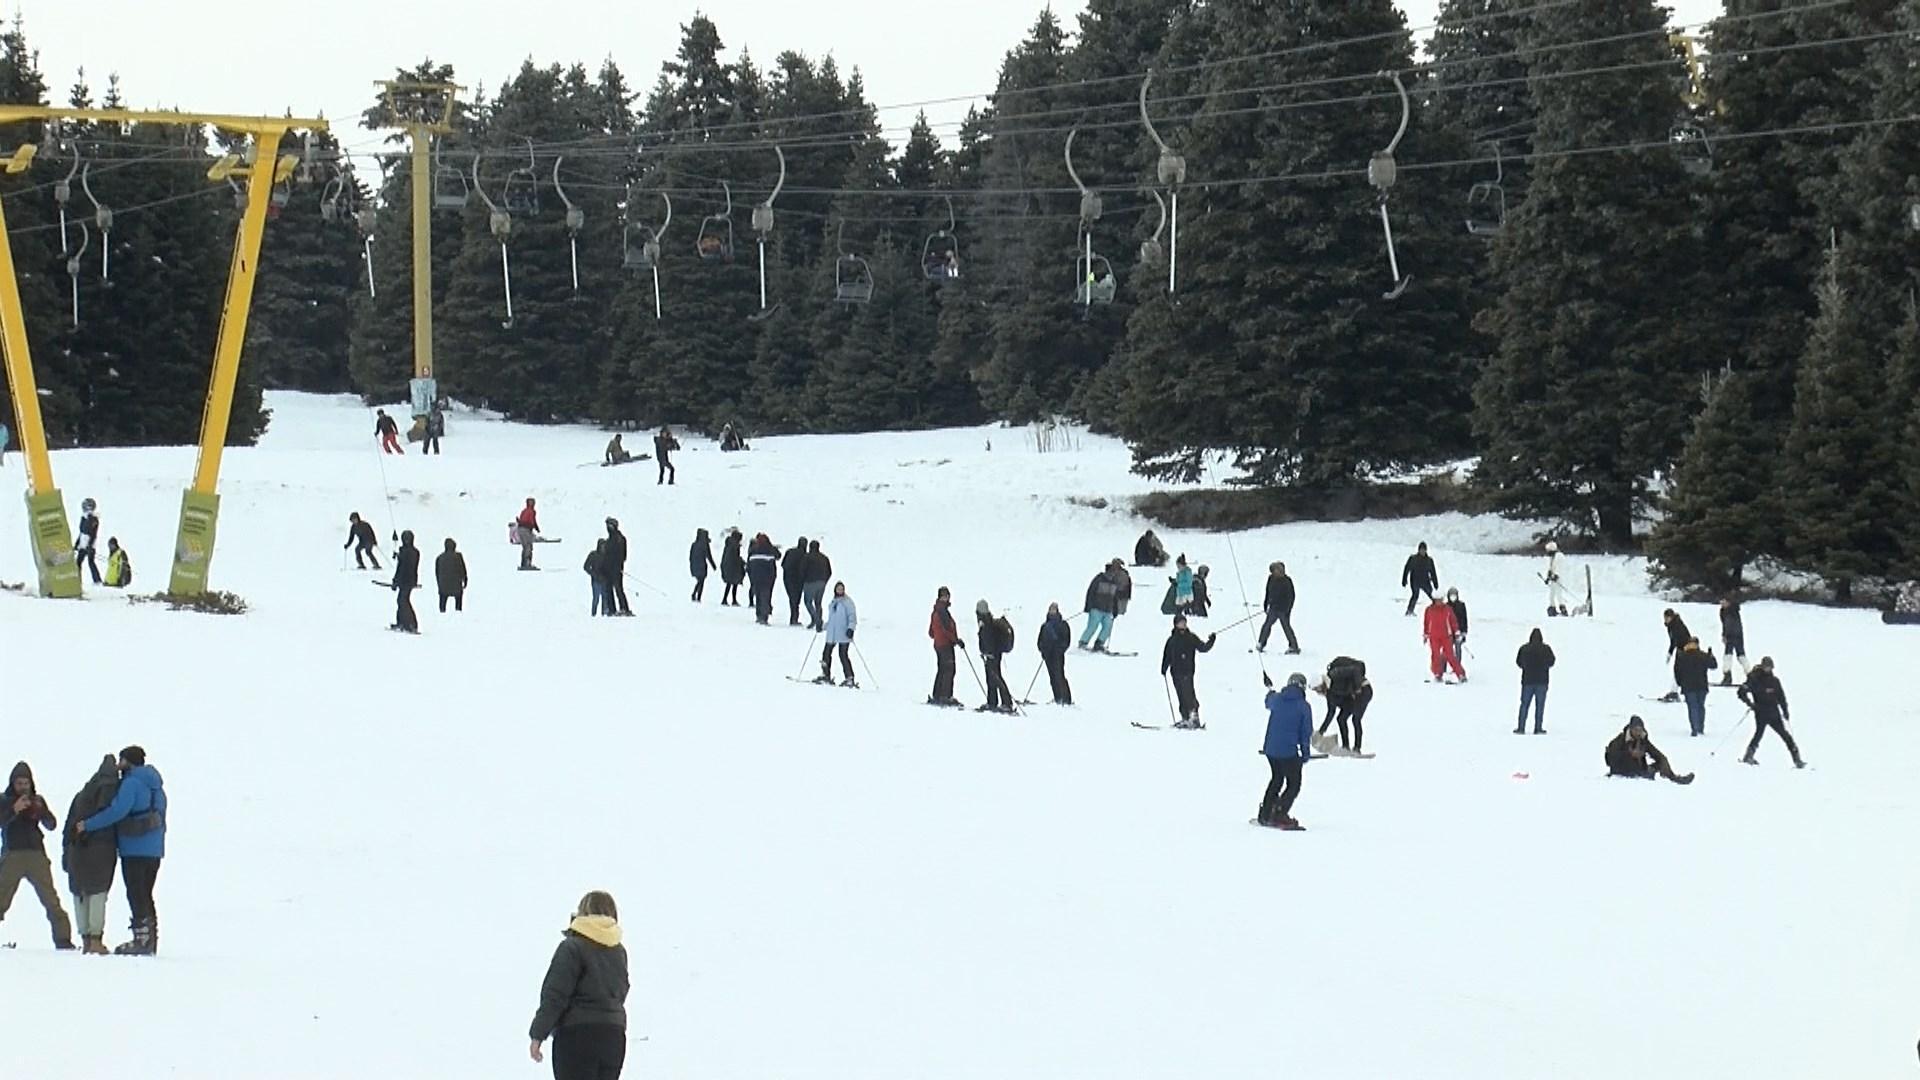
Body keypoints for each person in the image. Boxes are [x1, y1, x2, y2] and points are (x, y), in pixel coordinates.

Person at [528, 890, 629, 1080]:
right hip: (613, 1037)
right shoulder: (618, 951)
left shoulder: (572, 947)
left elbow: (555, 995)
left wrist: (538, 1034)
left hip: (577, 1036)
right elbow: (622, 990)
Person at [76, 746, 166, 955]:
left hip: (134, 848)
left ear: (128, 761)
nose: (118, 765)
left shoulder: (131, 782)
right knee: (146, 893)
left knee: (136, 893)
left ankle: (141, 940)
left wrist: (88, 825)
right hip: (154, 849)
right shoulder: (156, 786)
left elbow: (117, 810)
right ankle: (149, 938)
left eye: (121, 760)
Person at [0, 761, 74, 950]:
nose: (23, 787)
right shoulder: (3, 800)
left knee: (51, 899)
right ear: (12, 783)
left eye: (26, 783)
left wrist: (39, 812)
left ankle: (63, 940)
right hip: (12, 855)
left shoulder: (38, 800)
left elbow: (52, 824)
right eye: (19, 783)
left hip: (36, 856)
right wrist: (13, 810)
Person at [63, 754, 120, 954]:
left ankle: (86, 938)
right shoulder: (114, 793)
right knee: (98, 893)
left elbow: (68, 826)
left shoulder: (81, 795)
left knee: (80, 893)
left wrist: (65, 853)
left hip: (76, 851)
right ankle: (96, 939)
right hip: (102, 851)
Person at [1257, 673, 1314, 829]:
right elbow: (1305, 733)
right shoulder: (1303, 706)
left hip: (1270, 749)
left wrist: (1269, 690)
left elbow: (1268, 701)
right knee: (1293, 784)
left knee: (1276, 779)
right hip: (1288, 751)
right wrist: (1305, 754)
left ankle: (1265, 813)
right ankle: (1279, 814)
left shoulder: (1277, 699)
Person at [1736, 657, 1805, 768]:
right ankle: (1748, 756)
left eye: (1770, 667)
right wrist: (1750, 704)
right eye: (1766, 667)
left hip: (1774, 713)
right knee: (1758, 734)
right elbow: (1741, 692)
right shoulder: (1754, 679)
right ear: (1762, 667)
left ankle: (1797, 759)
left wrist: (1785, 711)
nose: (1768, 669)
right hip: (1761, 712)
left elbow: (1781, 697)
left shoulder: (1774, 681)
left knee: (1785, 735)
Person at [1160, 614, 1217, 729]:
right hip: (1175, 673)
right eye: (1181, 622)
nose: (1183, 624)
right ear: (1176, 624)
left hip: (1187, 671)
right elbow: (1167, 655)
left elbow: (1203, 647)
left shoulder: (1191, 637)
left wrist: (1211, 641)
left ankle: (1194, 717)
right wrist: (1164, 668)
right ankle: (1185, 717)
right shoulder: (1172, 640)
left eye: (1184, 622)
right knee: (1180, 694)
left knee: (1189, 694)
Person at [1605, 717, 1694, 784]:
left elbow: (1655, 753)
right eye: (1636, 730)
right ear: (1631, 729)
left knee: (1662, 761)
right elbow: (1611, 759)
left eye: (1640, 730)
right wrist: (1629, 754)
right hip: (1622, 771)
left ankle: (1674, 779)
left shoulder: (1642, 740)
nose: (1638, 733)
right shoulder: (1620, 740)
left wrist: (1663, 762)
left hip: (1640, 770)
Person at [1314, 656, 1372, 754]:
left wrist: (1357, 688)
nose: (1318, 692)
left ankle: (1357, 748)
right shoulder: (1329, 693)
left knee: (1356, 719)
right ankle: (1346, 746)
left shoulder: (1335, 674)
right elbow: (1331, 712)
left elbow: (1355, 670)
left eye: (1318, 689)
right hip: (1352, 696)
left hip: (1364, 689)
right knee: (1341, 718)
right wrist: (1321, 732)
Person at [1673, 637, 1718, 737]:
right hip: (1702, 686)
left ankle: (1694, 728)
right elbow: (1714, 665)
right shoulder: (1703, 655)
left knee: (1692, 707)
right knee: (1700, 706)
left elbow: (1677, 671)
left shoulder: (1682, 656)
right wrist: (1711, 656)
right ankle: (1700, 728)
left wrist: (1680, 683)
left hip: (1688, 686)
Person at [976, 600, 1015, 713]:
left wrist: (988, 652)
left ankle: (1006, 702)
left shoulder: (985, 622)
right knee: (992, 678)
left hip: (992, 655)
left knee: (995, 678)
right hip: (993, 654)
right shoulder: (987, 620)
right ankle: (993, 701)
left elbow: (988, 639)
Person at [928, 586, 964, 706]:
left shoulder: (936, 611)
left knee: (942, 669)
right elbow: (946, 630)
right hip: (945, 645)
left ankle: (937, 694)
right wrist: (955, 640)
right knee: (949, 670)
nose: (947, 598)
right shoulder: (942, 611)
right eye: (944, 596)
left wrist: (938, 637)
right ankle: (945, 696)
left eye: (947, 596)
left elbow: (931, 632)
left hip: (939, 645)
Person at [1079, 560, 1126, 652]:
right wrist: (1088, 606)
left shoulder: (1114, 582)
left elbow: (1115, 597)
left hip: (1108, 609)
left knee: (1108, 626)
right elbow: (1091, 591)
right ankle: (1083, 642)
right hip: (1096, 607)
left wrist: (1115, 609)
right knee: (1093, 626)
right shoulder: (1099, 578)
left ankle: (1099, 643)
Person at [1515, 629, 1554, 734]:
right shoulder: (1546, 649)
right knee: (1540, 706)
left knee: (1524, 705)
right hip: (1542, 681)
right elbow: (1552, 661)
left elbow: (1518, 662)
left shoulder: (1524, 648)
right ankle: (1538, 728)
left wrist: (1526, 667)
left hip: (1527, 681)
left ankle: (1521, 727)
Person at [1258, 561, 1299, 654]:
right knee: (1267, 625)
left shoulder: (1287, 581)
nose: (1277, 572)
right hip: (1273, 608)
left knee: (1286, 627)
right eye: (1275, 570)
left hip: (1283, 610)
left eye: (1279, 570)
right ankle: (1261, 643)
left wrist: (1287, 609)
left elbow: (1291, 596)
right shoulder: (1271, 579)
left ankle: (1294, 646)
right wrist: (1266, 604)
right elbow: (1267, 592)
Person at [820, 583, 857, 686]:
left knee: (843, 655)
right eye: (838, 589)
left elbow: (852, 617)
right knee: (826, 654)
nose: (840, 591)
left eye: (841, 589)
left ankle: (849, 677)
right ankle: (825, 674)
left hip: (843, 634)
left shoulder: (848, 602)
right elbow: (832, 620)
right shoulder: (833, 603)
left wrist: (851, 628)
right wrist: (822, 626)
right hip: (832, 634)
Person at [1036, 602, 1073, 705]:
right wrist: (1042, 650)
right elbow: (1040, 640)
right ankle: (1057, 697)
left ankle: (1066, 698)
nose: (1052, 611)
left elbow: (1066, 641)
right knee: (1052, 677)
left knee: (1059, 675)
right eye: (1050, 609)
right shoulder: (1045, 625)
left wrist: (1059, 650)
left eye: (1053, 609)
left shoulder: (1063, 625)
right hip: (1048, 655)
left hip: (1058, 655)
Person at [1423, 595, 1466, 683]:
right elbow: (1426, 622)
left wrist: (1456, 631)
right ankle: (1437, 673)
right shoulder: (1429, 610)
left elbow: (1453, 621)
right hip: (1434, 636)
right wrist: (1426, 634)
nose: (1439, 602)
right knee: (1436, 656)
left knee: (1450, 655)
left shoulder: (1448, 609)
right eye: (1437, 600)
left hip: (1446, 636)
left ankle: (1460, 674)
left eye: (1441, 600)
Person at [391, 530, 421, 633]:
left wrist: (396, 580)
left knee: (403, 601)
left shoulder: (408, 552)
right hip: (408, 580)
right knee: (401, 600)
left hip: (406, 580)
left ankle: (411, 624)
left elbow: (404, 567)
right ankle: (402, 622)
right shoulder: (413, 552)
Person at [1658, 608, 1691, 700]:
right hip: (1680, 650)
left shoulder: (1677, 625)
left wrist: (1684, 651)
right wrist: (1670, 653)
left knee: (1681, 671)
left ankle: (1677, 692)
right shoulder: (1671, 626)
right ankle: (1674, 691)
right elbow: (1673, 641)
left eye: (1666, 618)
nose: (1665, 620)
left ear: (1671, 617)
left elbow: (1681, 639)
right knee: (1678, 670)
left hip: (1686, 650)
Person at [746, 533, 779, 624]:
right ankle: (764, 617)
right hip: (768, 577)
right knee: (765, 596)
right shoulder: (770, 549)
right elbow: (778, 555)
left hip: (755, 577)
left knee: (758, 596)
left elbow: (749, 565)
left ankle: (759, 615)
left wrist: (750, 575)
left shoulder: (753, 550)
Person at [603, 518, 631, 616]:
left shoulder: (620, 539)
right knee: (608, 589)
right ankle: (612, 610)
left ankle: (624, 608)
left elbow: (622, 555)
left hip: (616, 568)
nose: (608, 528)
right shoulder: (608, 540)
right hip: (608, 569)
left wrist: (617, 565)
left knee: (618, 588)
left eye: (609, 525)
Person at [1719, 597, 1750, 686]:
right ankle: (1750, 675)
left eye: (1723, 601)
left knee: (1729, 656)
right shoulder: (1725, 611)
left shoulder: (1730, 611)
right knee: (1740, 656)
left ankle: (1728, 676)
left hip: (1734, 635)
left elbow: (1728, 624)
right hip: (1735, 635)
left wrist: (1725, 635)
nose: (1722, 603)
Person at [802, 540, 832, 631]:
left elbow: (802, 570)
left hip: (810, 582)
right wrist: (825, 581)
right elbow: (829, 571)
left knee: (808, 602)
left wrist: (803, 580)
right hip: (822, 582)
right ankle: (817, 619)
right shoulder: (824, 558)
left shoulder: (806, 557)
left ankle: (816, 619)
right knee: (818, 603)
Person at [1402, 541, 1438, 615]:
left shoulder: (1429, 560)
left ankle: (1437, 610)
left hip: (1425, 581)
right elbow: (1407, 569)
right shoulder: (1413, 559)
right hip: (1415, 581)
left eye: (1424, 550)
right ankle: (1409, 611)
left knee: (1433, 595)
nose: (1422, 551)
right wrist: (1404, 579)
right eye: (1421, 549)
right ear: (1418, 550)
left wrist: (1435, 583)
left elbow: (1433, 572)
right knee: (1415, 595)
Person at [781, 536, 809, 626]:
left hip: (787, 577)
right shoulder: (804, 555)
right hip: (798, 579)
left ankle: (793, 617)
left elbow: (782, 564)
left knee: (792, 598)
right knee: (796, 599)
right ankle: (794, 618)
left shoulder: (789, 551)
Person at [74, 497, 101, 584]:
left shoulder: (93, 518)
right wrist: (77, 544)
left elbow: (93, 534)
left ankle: (97, 580)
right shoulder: (84, 518)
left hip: (90, 544)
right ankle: (77, 580)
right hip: (83, 544)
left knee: (90, 562)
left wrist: (89, 545)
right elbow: (81, 532)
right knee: (78, 563)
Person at [435, 538, 467, 613]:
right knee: (458, 601)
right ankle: (458, 613)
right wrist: (465, 580)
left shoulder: (439, 558)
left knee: (443, 602)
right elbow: (462, 570)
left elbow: (437, 573)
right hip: (456, 586)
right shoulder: (458, 557)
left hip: (444, 586)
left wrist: (439, 585)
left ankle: (442, 612)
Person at [1543, 540, 1571, 616]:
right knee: (1551, 595)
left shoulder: (1559, 556)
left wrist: (1556, 575)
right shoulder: (1552, 557)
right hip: (1553, 579)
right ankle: (1552, 608)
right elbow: (1550, 568)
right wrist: (1548, 578)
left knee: (1559, 595)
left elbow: (1559, 568)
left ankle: (1563, 609)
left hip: (1559, 579)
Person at [688, 528, 717, 602]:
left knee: (699, 581)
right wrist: (713, 566)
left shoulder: (694, 544)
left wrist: (692, 564)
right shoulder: (705, 545)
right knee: (701, 581)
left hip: (695, 565)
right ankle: (698, 596)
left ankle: (695, 594)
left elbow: (690, 557)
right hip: (702, 566)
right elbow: (709, 556)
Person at [719, 528, 745, 606]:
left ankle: (727, 599)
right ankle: (730, 600)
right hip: (733, 567)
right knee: (733, 583)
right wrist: (742, 562)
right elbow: (735, 557)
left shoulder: (729, 544)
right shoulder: (734, 546)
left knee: (730, 583)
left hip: (728, 566)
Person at [515, 498, 541, 571]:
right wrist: (536, 528)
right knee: (528, 547)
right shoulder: (532, 511)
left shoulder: (524, 511)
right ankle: (527, 564)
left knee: (525, 547)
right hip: (526, 529)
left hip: (520, 529)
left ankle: (523, 563)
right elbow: (532, 521)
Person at [1446, 587, 1470, 655]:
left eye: (1454, 595)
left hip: (1459, 631)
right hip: (1448, 633)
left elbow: (1464, 619)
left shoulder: (1461, 605)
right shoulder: (1446, 606)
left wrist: (1464, 631)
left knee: (1458, 648)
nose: (1453, 597)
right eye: (1451, 595)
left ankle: (1457, 663)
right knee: (1446, 650)